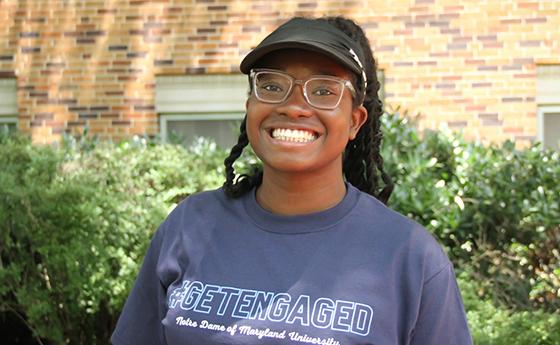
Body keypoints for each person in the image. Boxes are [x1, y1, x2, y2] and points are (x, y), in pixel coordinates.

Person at [111, 16, 472, 345]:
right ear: (250, 103)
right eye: (271, 85)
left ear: (355, 121)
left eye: (324, 90)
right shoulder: (190, 226)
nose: (294, 106)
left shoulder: (409, 256)